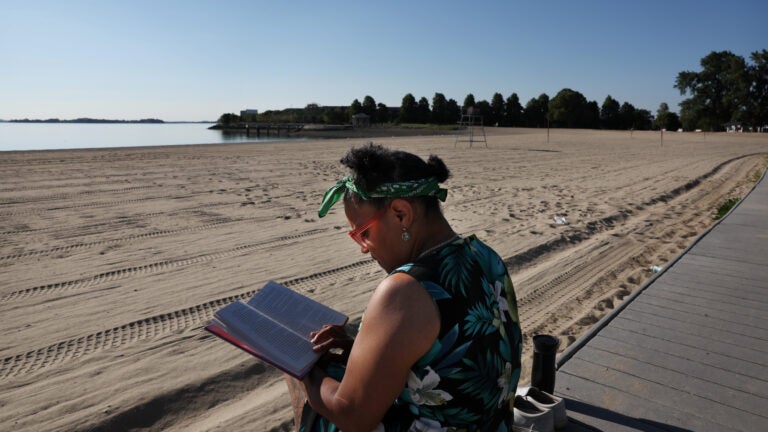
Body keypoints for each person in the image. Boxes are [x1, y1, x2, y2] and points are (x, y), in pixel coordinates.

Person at [297, 143, 523, 431]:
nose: (364, 249)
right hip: (491, 425)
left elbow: (353, 415)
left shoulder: (406, 290)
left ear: (401, 214)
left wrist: (302, 367)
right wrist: (360, 347)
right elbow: (449, 355)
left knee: (320, 397)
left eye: (363, 233)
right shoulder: (485, 257)